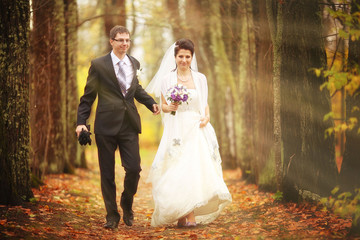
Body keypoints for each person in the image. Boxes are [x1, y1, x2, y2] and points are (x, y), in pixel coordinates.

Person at [76, 25, 160, 229]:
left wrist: (151, 103)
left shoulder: (134, 62)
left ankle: (127, 203)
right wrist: (81, 123)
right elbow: (88, 97)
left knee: (134, 169)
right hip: (105, 126)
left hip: (129, 125)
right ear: (111, 41)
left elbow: (135, 88)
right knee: (107, 173)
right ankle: (111, 216)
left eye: (127, 40)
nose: (125, 43)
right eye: (120, 40)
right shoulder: (98, 65)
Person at [146, 39, 232, 227]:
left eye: (187, 56)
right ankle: (181, 215)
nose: (184, 60)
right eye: (180, 56)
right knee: (177, 170)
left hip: (196, 128)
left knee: (193, 169)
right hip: (176, 128)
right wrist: (170, 106)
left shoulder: (200, 78)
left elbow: (205, 103)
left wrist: (207, 117)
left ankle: (190, 215)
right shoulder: (167, 79)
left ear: (192, 57)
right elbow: (164, 107)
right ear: (175, 57)